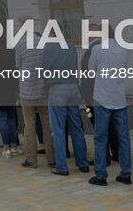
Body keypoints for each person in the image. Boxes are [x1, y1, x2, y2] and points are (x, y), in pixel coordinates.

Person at [87, 29, 132, 186]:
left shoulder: (97, 49)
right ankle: (126, 174)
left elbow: (91, 72)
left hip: (102, 98)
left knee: (100, 137)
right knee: (124, 138)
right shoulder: (123, 51)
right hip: (119, 98)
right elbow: (124, 72)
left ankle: (101, 176)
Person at [42, 31, 89, 177]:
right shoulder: (71, 47)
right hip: (73, 87)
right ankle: (83, 163)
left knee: (58, 129)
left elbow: (45, 71)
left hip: (57, 89)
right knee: (76, 127)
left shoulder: (49, 49)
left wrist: (46, 86)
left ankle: (61, 166)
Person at [16, 35, 47, 169]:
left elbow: (18, 66)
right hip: (42, 89)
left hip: (27, 90)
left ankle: (32, 159)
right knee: (47, 124)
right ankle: (52, 158)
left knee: (29, 125)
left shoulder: (20, 45)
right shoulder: (43, 42)